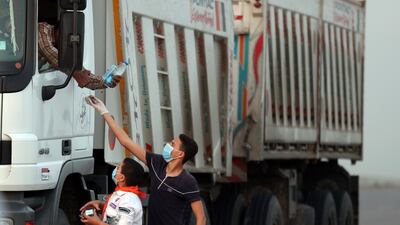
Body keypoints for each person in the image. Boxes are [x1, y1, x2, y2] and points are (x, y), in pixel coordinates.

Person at [85, 95, 207, 225]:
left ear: (179, 154)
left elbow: (201, 218)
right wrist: (104, 112)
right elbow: (125, 141)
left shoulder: (188, 181)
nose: (168, 145)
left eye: (172, 143)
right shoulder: (157, 162)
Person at [38, 21, 121, 89]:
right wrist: (76, 72)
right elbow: (50, 52)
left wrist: (105, 82)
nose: (70, 41)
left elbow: (81, 73)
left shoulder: (60, 48)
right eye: (70, 35)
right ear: (64, 27)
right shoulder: (43, 29)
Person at [80, 157, 146, 225]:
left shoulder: (128, 200)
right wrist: (100, 205)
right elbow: (117, 210)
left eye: (118, 168)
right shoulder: (121, 194)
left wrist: (97, 223)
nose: (115, 170)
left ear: (122, 178)